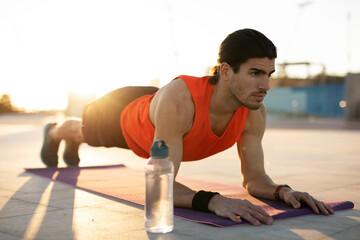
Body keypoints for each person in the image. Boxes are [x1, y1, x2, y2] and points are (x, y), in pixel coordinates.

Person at [40, 28, 334, 225]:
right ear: (226, 71)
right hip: (124, 113)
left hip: (156, 104)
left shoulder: (253, 112)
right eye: (256, 73)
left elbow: (254, 178)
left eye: (269, 74)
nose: (265, 85)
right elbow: (158, 187)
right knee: (83, 132)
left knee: (87, 132)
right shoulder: (181, 103)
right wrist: (211, 201)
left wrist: (282, 191)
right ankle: (54, 131)